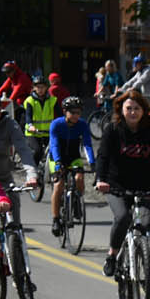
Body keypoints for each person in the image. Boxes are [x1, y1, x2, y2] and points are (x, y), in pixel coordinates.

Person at [94, 90, 150, 285]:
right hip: (116, 186)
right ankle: (112, 255)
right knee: (123, 217)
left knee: (146, 224)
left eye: (136, 108)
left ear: (143, 110)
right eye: (128, 108)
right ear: (121, 109)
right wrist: (101, 179)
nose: (132, 112)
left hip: (144, 186)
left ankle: (147, 274)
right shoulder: (113, 129)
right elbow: (103, 157)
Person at [47, 97, 94, 236]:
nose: (75, 116)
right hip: (56, 157)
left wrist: (92, 161)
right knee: (59, 185)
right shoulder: (56, 124)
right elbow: (54, 144)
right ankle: (55, 219)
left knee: (79, 178)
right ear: (65, 112)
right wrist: (57, 162)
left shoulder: (82, 125)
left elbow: (87, 144)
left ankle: (77, 200)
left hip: (74, 158)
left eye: (78, 113)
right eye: (72, 112)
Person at [0, 107, 38, 223]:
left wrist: (31, 175)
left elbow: (23, 150)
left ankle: (16, 234)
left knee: (14, 200)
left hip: (4, 175)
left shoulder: (10, 124)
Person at [21, 80, 63, 170]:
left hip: (49, 132)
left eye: (42, 87)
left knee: (55, 150)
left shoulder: (52, 100)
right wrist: (30, 126)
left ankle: (55, 171)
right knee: (38, 150)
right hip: (33, 133)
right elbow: (28, 116)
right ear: (34, 88)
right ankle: (33, 171)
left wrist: (63, 124)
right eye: (38, 87)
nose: (40, 89)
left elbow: (60, 115)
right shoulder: (30, 101)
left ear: (46, 88)